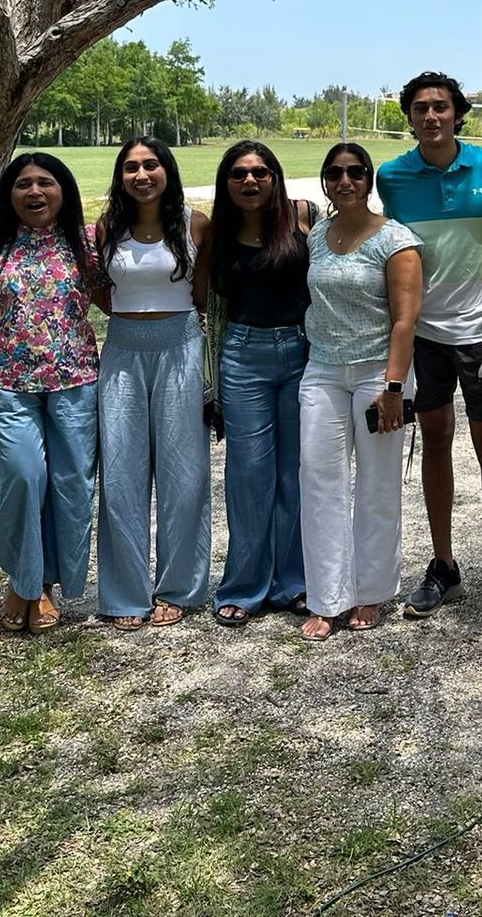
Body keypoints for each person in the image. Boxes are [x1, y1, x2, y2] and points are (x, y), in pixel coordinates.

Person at [377, 72, 482, 618]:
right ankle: (444, 565)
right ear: (408, 117)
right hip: (423, 336)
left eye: (440, 107)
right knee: (435, 442)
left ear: (458, 114)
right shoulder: (392, 176)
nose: (431, 116)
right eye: (420, 108)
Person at [297, 143, 424, 640]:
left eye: (354, 172)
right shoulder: (317, 238)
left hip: (379, 375)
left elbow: (405, 321)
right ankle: (327, 598)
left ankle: (370, 592)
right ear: (324, 180)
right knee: (320, 483)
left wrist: (394, 388)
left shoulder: (395, 240)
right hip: (323, 371)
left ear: (369, 180)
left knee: (376, 485)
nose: (344, 180)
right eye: (334, 173)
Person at [0, 153, 104, 634]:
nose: (35, 192)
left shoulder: (86, 242)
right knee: (26, 476)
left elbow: (113, 294)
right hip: (6, 382)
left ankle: (47, 584)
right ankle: (22, 582)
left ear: (63, 190)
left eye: (45, 183)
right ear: (8, 195)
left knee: (72, 485)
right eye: (24, 184)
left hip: (74, 380)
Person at [94, 135, 212, 629]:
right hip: (122, 349)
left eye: (151, 165)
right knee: (120, 474)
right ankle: (125, 593)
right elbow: (99, 289)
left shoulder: (196, 224)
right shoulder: (106, 227)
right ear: (121, 176)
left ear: (168, 170)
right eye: (131, 167)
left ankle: (179, 587)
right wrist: (130, 322)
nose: (141, 175)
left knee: (184, 474)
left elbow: (204, 294)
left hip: (181, 345)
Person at [206, 142, 315, 626]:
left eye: (260, 172)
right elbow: (205, 305)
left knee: (295, 473)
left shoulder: (303, 219)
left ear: (275, 178)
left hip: (299, 353)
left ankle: (292, 582)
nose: (250, 181)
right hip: (242, 356)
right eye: (239, 174)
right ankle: (245, 585)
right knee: (249, 475)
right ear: (226, 183)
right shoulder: (217, 233)